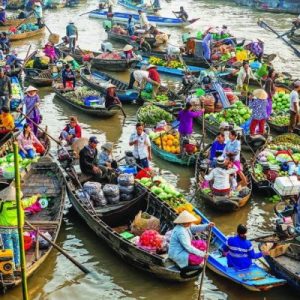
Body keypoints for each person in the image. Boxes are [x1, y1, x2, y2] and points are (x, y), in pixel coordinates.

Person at [0, 185, 40, 271]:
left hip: (5, 230)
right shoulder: (20, 203)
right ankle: (18, 264)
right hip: (16, 229)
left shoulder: (2, 204)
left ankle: (12, 266)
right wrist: (36, 196)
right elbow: (30, 201)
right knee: (17, 246)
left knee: (8, 248)